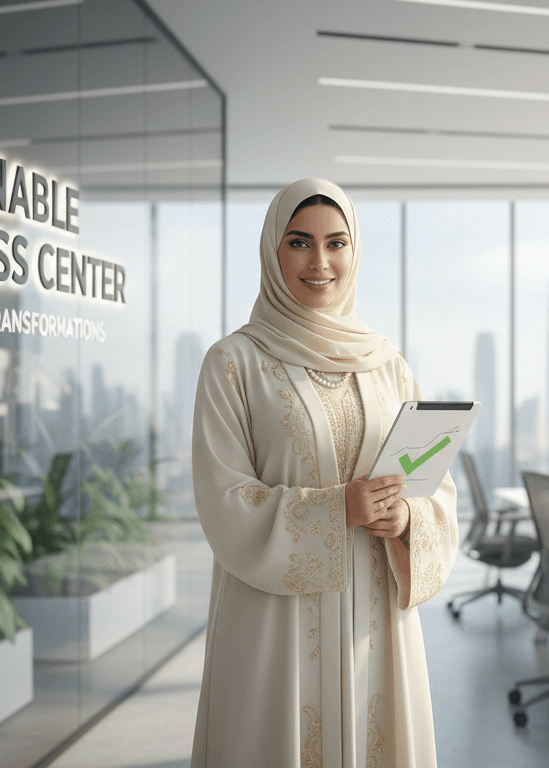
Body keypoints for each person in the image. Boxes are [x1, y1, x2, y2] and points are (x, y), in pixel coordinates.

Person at [190, 178, 458, 767]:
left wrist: (407, 517)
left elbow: (434, 487)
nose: (320, 262)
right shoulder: (234, 363)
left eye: (336, 243)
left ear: (354, 251)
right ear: (273, 250)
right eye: (299, 242)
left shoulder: (389, 365)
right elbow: (222, 498)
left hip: (376, 624)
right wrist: (339, 510)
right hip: (274, 628)